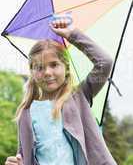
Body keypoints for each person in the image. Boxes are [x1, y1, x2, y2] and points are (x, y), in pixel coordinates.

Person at [5, 17, 117, 165]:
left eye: (54, 65)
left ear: (66, 68)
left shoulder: (78, 97)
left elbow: (105, 62)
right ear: (32, 72)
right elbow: (25, 158)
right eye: (39, 67)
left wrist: (72, 35)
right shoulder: (26, 114)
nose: (47, 72)